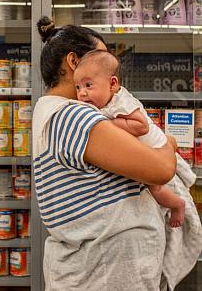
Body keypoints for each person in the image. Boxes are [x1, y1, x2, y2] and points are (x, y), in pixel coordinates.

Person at [33, 16, 177, 291]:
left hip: (98, 270)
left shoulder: (52, 112)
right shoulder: (71, 114)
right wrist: (168, 142)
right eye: (99, 58)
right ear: (73, 62)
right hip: (104, 274)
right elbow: (162, 168)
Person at [73, 49, 202, 286]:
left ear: (112, 84)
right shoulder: (101, 104)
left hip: (156, 154)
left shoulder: (121, 102)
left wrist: (111, 124)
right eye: (78, 87)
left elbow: (141, 126)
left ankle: (177, 205)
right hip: (150, 155)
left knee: (157, 189)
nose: (82, 93)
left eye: (89, 85)